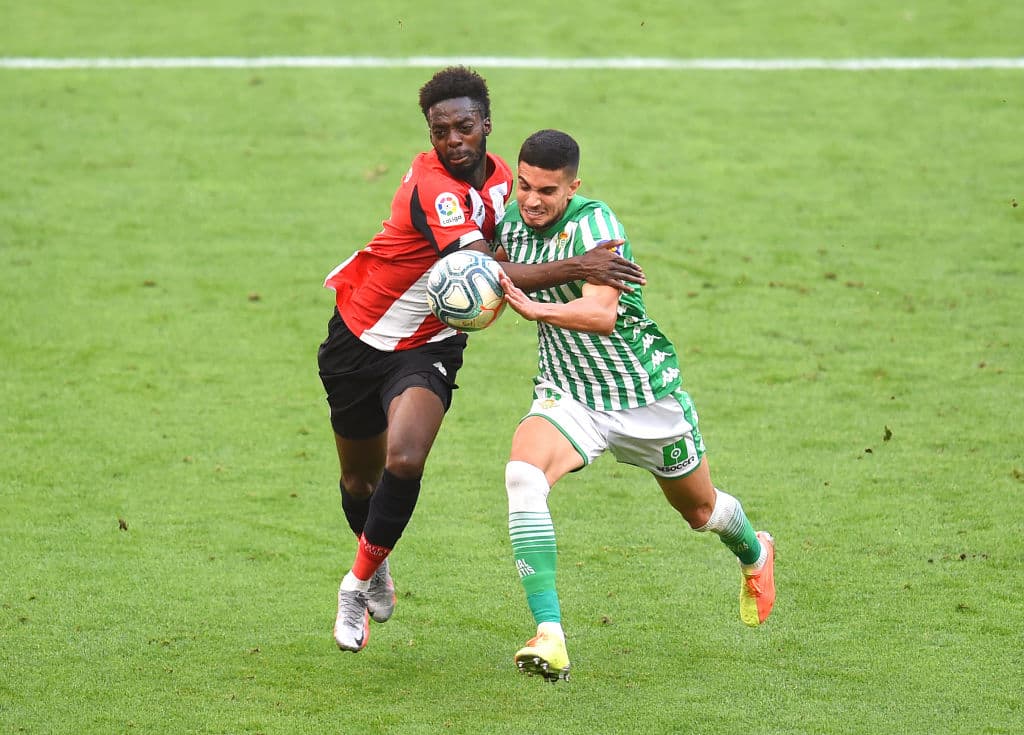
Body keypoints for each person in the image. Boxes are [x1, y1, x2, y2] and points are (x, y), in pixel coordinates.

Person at [318, 69, 645, 653]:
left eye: (464, 126)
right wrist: (579, 268)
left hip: (431, 343)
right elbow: (485, 270)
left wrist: (593, 243)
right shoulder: (431, 186)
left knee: (406, 456)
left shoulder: (502, 181)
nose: (453, 139)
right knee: (358, 478)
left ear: (486, 125)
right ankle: (379, 554)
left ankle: (356, 581)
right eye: (440, 130)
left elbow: (530, 231)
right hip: (358, 338)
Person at [492, 129, 776, 682]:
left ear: (573, 187)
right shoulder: (512, 223)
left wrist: (537, 311)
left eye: (547, 191)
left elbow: (600, 314)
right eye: (524, 186)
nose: (531, 200)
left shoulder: (597, 226)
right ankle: (549, 635)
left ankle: (756, 552)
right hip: (569, 392)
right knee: (523, 477)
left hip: (644, 397)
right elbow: (496, 270)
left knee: (700, 512)